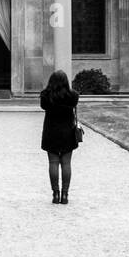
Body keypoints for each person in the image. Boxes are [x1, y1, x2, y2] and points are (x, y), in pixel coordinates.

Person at [40, 69, 80, 205]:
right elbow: (74, 105)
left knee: (53, 163)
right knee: (66, 163)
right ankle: (65, 194)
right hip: (67, 132)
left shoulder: (45, 95)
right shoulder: (73, 95)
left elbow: (43, 106)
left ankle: (55, 194)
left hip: (51, 131)